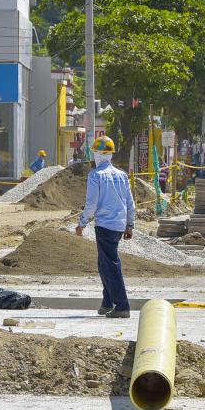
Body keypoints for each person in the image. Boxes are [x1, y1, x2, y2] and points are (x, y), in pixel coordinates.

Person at [75, 136, 136, 319]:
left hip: (104, 225)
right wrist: (129, 224)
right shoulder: (121, 175)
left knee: (110, 265)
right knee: (104, 264)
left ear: (98, 154)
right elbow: (130, 202)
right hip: (118, 225)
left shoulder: (95, 175)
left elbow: (91, 203)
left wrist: (81, 223)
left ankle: (122, 305)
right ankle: (107, 302)